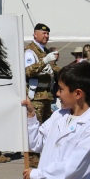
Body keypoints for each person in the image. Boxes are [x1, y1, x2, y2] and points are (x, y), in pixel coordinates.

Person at [24, 23, 60, 168]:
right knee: (35, 126)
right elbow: (28, 71)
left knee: (46, 127)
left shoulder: (43, 51)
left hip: (46, 96)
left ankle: (43, 154)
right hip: (36, 96)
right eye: (43, 33)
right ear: (35, 34)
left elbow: (53, 69)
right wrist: (44, 61)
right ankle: (32, 157)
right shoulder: (30, 52)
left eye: (47, 34)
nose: (46, 36)